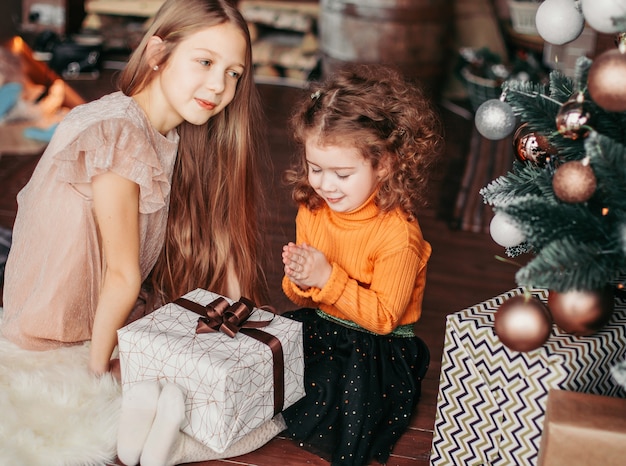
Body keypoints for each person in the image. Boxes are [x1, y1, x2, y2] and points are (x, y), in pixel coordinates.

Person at [280, 64, 443, 465]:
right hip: (323, 326)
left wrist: (327, 278)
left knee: (335, 403)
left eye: (342, 174)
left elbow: (385, 318)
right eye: (315, 169)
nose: (325, 184)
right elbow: (302, 298)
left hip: (376, 350)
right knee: (269, 366)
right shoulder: (313, 208)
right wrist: (301, 280)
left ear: (383, 165)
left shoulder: (397, 236)